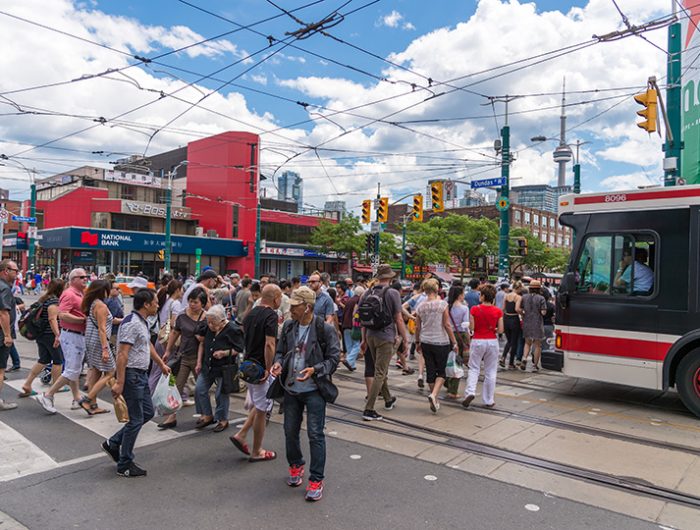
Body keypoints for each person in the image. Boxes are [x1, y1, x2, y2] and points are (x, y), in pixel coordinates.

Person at [271, 286, 340, 501]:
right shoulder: (289, 326)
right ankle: (296, 464)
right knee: (289, 430)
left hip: (314, 389)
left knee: (315, 434)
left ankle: (316, 478)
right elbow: (281, 352)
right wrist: (278, 364)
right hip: (291, 388)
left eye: (295, 306)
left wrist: (316, 370)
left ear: (307, 307)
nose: (291, 310)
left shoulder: (324, 329)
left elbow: (334, 358)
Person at [103, 289, 171, 478]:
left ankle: (114, 442)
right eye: (156, 302)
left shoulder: (142, 322)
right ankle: (124, 464)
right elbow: (123, 353)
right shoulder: (132, 323)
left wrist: (161, 364)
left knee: (147, 412)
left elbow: (147, 345)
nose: (158, 305)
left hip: (140, 375)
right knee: (135, 419)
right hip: (132, 376)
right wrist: (120, 382)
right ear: (146, 304)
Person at [230, 284, 281, 462]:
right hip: (260, 368)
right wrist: (268, 369)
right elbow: (269, 344)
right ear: (275, 298)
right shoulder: (271, 315)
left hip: (248, 366)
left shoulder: (249, 314)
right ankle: (257, 450)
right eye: (280, 297)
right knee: (261, 409)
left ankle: (242, 434)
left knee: (259, 404)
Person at [36, 268, 89, 413]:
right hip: (72, 335)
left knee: (75, 368)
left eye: (86, 276)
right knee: (72, 369)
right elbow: (62, 315)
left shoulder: (80, 293)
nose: (86, 279)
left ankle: (77, 397)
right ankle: (48, 395)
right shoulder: (69, 294)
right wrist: (83, 319)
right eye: (82, 277)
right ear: (73, 280)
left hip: (77, 335)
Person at [360, 264, 408, 421]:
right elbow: (399, 318)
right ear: (390, 278)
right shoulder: (392, 293)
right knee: (380, 372)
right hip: (385, 337)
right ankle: (369, 409)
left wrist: (363, 339)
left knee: (381, 369)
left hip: (370, 336)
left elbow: (362, 318)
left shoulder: (367, 292)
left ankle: (388, 399)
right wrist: (405, 338)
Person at [159, 287, 207, 429]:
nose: (192, 305)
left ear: (202, 304)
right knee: (175, 387)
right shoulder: (182, 316)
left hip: (199, 359)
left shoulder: (206, 318)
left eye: (195, 302)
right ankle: (171, 417)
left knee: (201, 389)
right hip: (182, 357)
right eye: (191, 301)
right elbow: (175, 333)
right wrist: (168, 350)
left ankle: (206, 414)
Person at [194, 304, 244, 433]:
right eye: (209, 322)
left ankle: (223, 419)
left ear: (222, 321)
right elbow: (201, 341)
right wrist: (199, 362)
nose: (210, 325)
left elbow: (239, 349)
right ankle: (207, 415)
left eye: (213, 323)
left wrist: (224, 353)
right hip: (208, 365)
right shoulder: (208, 327)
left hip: (224, 367)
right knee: (200, 389)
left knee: (220, 395)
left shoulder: (233, 329)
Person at [415, 279, 457, 413]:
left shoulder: (420, 306)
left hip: (426, 342)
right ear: (437, 289)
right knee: (441, 372)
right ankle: (433, 395)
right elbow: (447, 325)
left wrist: (417, 342)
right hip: (441, 342)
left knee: (431, 371)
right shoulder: (442, 304)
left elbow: (417, 327)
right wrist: (454, 341)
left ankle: (435, 398)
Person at [80, 279, 121, 415]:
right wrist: (105, 349)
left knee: (96, 371)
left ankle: (93, 405)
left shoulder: (93, 303)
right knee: (110, 371)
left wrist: (120, 320)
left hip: (91, 340)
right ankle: (87, 399)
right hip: (99, 342)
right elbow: (102, 329)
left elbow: (106, 322)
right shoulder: (101, 306)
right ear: (103, 290)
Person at [19, 279, 65, 397]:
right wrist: (57, 335)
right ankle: (56, 385)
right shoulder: (54, 301)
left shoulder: (44, 299)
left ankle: (28, 383)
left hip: (40, 335)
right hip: (50, 335)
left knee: (43, 360)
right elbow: (52, 319)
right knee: (58, 361)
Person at [462, 284, 504, 409]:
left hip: (478, 340)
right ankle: (489, 399)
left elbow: (472, 328)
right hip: (492, 342)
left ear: (483, 296)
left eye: (480, 294)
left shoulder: (474, 309)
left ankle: (470, 392)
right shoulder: (498, 311)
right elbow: (501, 330)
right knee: (490, 371)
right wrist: (493, 329)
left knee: (474, 368)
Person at [0, 260, 19, 411]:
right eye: (15, 270)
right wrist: (7, 335)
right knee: (0, 370)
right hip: (1, 335)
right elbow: (3, 313)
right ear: (6, 270)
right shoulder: (4, 288)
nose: (17, 273)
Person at [446, 285, 469, 399]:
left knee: (448, 360)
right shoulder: (464, 308)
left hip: (446, 335)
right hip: (459, 336)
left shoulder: (446, 306)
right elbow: (465, 325)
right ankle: (453, 390)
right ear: (460, 295)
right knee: (457, 363)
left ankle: (446, 382)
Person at [520, 280, 547, 371]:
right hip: (537, 323)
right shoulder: (541, 298)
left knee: (527, 343)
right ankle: (535, 365)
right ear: (539, 289)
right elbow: (543, 312)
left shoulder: (524, 297)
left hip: (527, 322)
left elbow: (520, 308)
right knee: (537, 344)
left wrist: (524, 314)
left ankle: (524, 359)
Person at [340, 285, 365, 371]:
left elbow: (344, 313)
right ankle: (349, 360)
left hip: (345, 325)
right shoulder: (359, 301)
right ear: (361, 294)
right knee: (357, 345)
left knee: (349, 346)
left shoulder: (349, 300)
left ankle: (352, 365)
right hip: (354, 326)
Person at [500, 281, 523, 369]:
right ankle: (511, 363)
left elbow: (503, 308)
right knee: (514, 342)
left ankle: (503, 357)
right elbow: (517, 309)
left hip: (506, 318)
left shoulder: (506, 296)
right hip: (514, 319)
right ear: (519, 288)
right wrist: (522, 313)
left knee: (509, 341)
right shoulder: (518, 297)